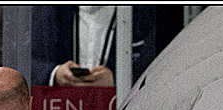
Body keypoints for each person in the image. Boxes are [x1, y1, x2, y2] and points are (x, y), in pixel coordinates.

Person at [30, 5, 184, 87]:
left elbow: (166, 68)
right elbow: (20, 60)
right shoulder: (46, 11)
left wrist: (119, 80)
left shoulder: (151, 15)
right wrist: (55, 74)